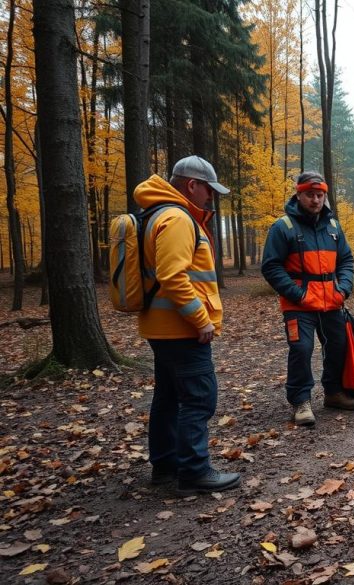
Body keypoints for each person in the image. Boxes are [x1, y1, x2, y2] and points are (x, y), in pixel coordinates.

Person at [135, 155, 240, 494]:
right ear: (192, 185)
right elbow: (172, 276)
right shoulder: (177, 217)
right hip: (181, 328)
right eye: (208, 190)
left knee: (167, 396)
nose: (210, 197)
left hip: (162, 327)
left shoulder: (155, 213)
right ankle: (194, 472)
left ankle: (165, 467)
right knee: (199, 398)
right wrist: (201, 319)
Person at [261, 171, 354, 426]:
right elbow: (271, 267)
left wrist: (344, 289)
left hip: (331, 302)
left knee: (338, 346)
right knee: (302, 349)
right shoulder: (283, 227)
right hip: (299, 305)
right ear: (299, 194)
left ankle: (334, 392)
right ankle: (300, 401)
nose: (315, 200)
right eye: (310, 195)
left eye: (319, 195)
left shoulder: (334, 227)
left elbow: (346, 261)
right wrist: (299, 294)